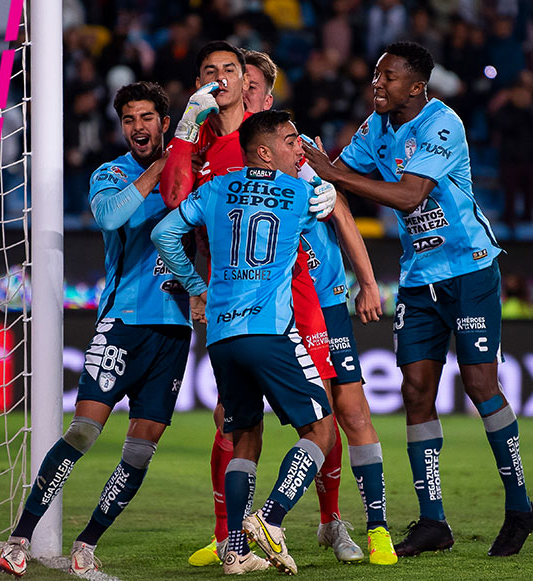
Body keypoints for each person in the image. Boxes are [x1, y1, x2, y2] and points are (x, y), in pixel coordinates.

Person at [303, 41, 533, 557]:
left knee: (479, 383)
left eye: (388, 78)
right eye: (376, 76)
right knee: (414, 390)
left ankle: (520, 506)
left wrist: (333, 174)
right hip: (418, 279)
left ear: (416, 85)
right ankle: (434, 521)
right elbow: (332, 176)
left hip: (470, 269)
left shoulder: (441, 124)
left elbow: (409, 195)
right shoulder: (375, 128)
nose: (376, 85)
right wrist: (310, 170)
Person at [0, 82, 193, 576]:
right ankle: (20, 537)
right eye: (129, 120)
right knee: (84, 432)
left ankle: (88, 542)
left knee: (140, 451)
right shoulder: (111, 174)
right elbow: (111, 215)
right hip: (123, 321)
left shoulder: (194, 173)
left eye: (147, 117)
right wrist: (157, 170)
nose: (138, 127)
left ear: (165, 122)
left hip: (173, 330)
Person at [160, 42, 343, 566]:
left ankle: (234, 550)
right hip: (271, 330)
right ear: (264, 151)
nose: (297, 149)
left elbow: (165, 233)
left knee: (243, 435)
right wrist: (324, 198)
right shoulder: (299, 194)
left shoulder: (216, 189)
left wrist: (195, 285)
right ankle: (273, 517)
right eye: (290, 143)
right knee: (319, 428)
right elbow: (325, 245)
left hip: (220, 334)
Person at [247, 47, 398, 565]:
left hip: (325, 300)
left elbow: (343, 214)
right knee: (239, 419)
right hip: (263, 310)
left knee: (346, 410)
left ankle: (355, 526)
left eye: (250, 86)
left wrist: (368, 282)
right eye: (230, 82)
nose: (240, 92)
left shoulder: (297, 147)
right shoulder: (224, 156)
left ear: (265, 93)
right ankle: (233, 534)